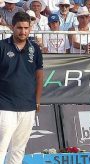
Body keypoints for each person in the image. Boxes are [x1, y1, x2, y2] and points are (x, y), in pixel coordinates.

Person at [0, 11, 43, 164]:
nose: (23, 31)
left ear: (30, 28)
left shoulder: (35, 48)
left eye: (26, 28)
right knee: (1, 147)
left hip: (28, 106)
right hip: (4, 106)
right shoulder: (2, 46)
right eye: (19, 28)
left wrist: (37, 101)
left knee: (18, 149)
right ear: (12, 27)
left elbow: (39, 75)